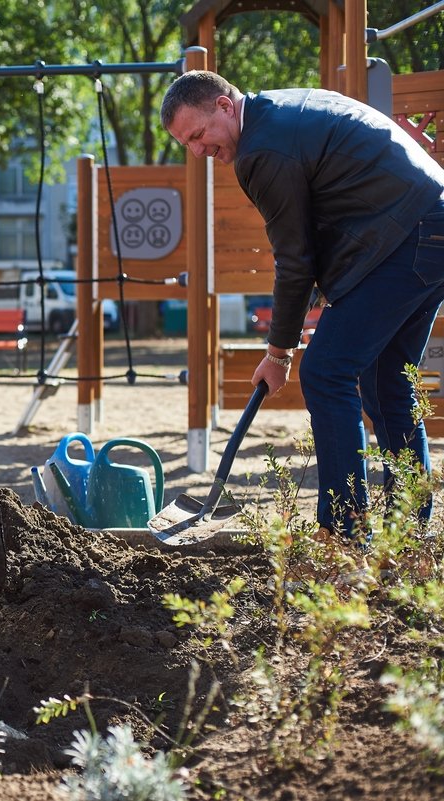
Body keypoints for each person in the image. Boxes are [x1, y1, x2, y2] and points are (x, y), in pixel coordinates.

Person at [161, 70, 444, 540]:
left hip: (406, 234)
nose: (198, 152)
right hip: (428, 225)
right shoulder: (280, 112)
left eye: (198, 134)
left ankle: (343, 534)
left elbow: (294, 260)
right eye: (185, 144)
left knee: (325, 371)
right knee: (385, 380)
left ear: (225, 106)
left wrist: (278, 353)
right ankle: (407, 529)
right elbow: (320, 228)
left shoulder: (261, 151)